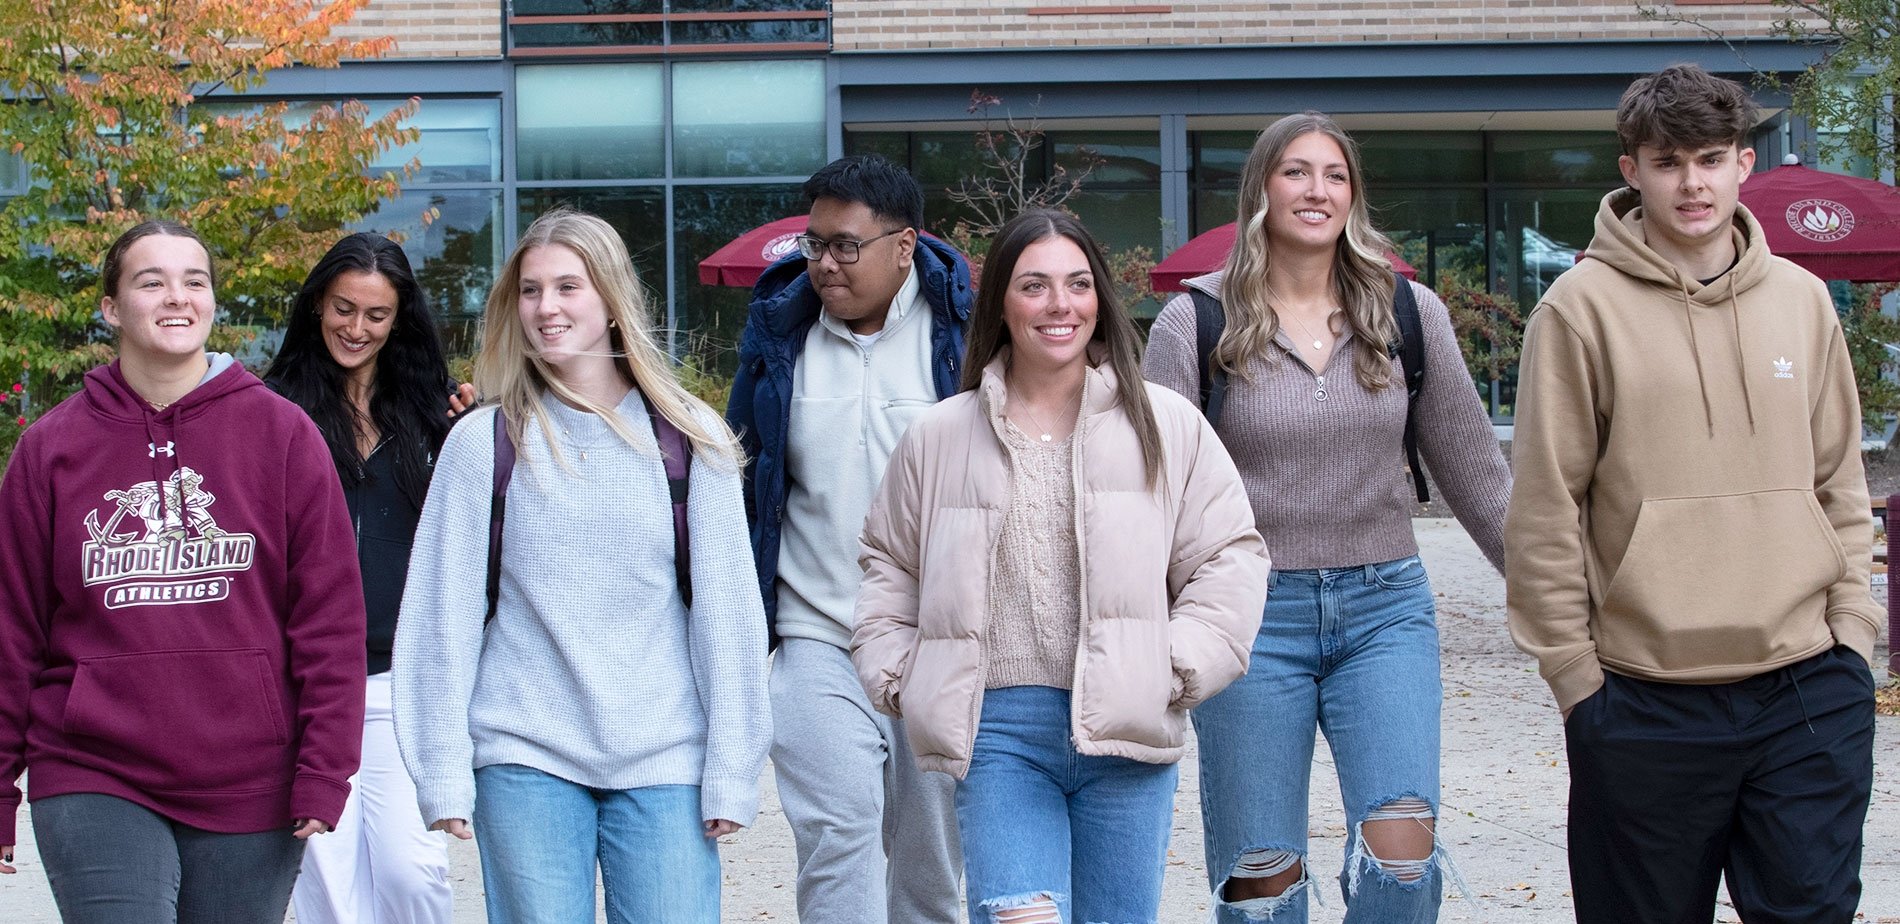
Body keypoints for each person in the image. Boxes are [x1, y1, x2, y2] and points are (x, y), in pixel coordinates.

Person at [1507, 64, 1878, 924]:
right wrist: (1574, 677)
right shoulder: (1577, 311)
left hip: (1806, 690)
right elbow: (1544, 509)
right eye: (1668, 161)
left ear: (1744, 163)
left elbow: (1839, 482)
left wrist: (1853, 638)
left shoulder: (1803, 302)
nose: (1692, 182)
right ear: (1631, 170)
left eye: (1710, 158)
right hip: (1642, 699)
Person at [853, 208, 1271, 924]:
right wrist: (902, 675)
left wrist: (1170, 667)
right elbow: (887, 566)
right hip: (998, 728)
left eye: (1078, 285)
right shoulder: (939, 435)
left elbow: (1230, 556)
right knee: (1021, 915)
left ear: (1100, 300)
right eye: (1035, 286)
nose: (1060, 305)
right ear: (1002, 305)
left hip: (1127, 727)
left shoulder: (1164, 424)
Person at [1143, 111, 1509, 923]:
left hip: (1387, 609)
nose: (1317, 190)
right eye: (1296, 172)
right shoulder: (1194, 323)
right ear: (1262, 191)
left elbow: (1479, 475)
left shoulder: (1407, 314)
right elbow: (1152, 496)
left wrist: (1563, 599)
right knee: (1260, 882)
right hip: (1248, 619)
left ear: (1354, 195)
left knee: (1403, 859)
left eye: (1335, 175)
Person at [393, 207, 768, 924]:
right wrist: (441, 770)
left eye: (568, 287)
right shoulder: (485, 445)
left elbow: (728, 618)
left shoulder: (692, 440)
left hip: (666, 761)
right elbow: (441, 618)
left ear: (611, 299)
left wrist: (732, 766)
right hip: (523, 754)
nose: (547, 308)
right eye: (531, 291)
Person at [0, 220, 367, 921]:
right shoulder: (52, 449)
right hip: (91, 768)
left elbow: (329, 621)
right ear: (111, 307)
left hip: (251, 775)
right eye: (151, 281)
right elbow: (10, 628)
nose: (177, 297)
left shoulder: (283, 435)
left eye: (194, 281)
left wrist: (325, 771)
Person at [726, 153, 970, 923]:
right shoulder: (778, 338)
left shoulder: (964, 336)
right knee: (839, 836)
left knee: (931, 864)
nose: (825, 264)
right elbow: (739, 464)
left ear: (905, 246)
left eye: (846, 246)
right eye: (814, 244)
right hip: (816, 635)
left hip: (937, 639)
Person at [264, 232, 458, 924]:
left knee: (414, 874)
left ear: (399, 319)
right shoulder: (273, 413)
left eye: (376, 315)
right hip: (306, 681)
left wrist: (470, 434)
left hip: (401, 679)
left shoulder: (437, 416)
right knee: (329, 888)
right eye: (344, 308)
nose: (357, 328)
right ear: (318, 304)